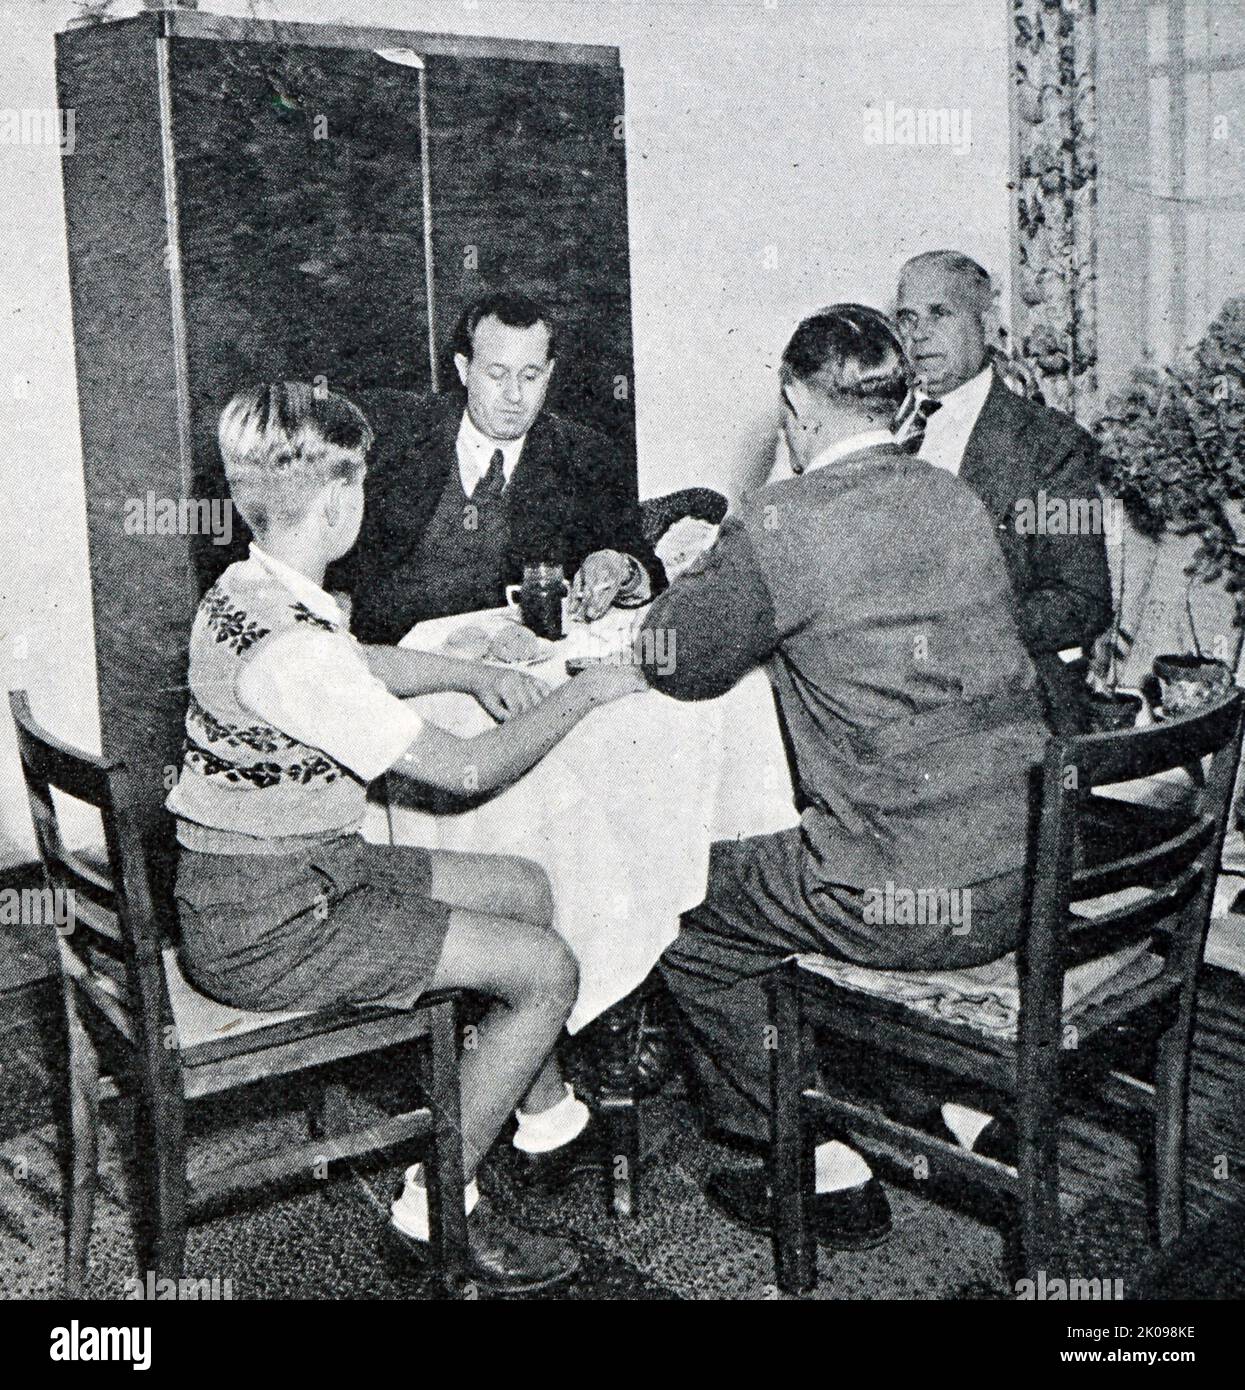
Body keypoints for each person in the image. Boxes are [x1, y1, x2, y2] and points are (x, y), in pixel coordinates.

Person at [166, 383, 646, 1294]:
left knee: (523, 887)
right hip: (274, 922)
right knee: (548, 969)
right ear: (343, 501)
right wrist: (586, 691)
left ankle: (542, 1119)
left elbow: (363, 662)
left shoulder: (249, 585)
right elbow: (464, 774)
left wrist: (468, 670)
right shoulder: (295, 652)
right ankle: (435, 1204)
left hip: (271, 877)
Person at [638, 305, 1050, 1249]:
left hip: (902, 898)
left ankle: (814, 1159)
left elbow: (672, 658)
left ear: (794, 399)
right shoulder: (952, 498)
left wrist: (693, 580)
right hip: (1029, 875)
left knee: (678, 906)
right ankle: (945, 1100)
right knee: (811, 848)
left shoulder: (784, 517)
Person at [329, 292, 665, 644]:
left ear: (549, 373)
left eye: (530, 376)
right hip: (394, 661)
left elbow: (648, 572)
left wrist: (619, 568)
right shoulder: (392, 434)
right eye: (497, 374)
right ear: (464, 369)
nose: (515, 395)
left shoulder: (585, 456)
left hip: (515, 667)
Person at [892, 251, 1111, 734]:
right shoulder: (880, 430)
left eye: (940, 313)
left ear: (987, 325)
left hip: (1004, 701)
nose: (918, 333)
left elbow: (1082, 600)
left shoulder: (1052, 447)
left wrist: (947, 635)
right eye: (907, 317)